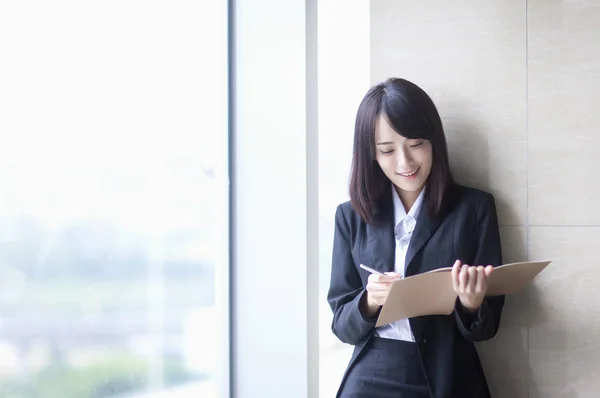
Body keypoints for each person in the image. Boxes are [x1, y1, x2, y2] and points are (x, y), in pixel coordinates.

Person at [327, 77, 505, 398]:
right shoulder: (350, 217)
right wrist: (370, 300)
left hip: (448, 373)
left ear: (434, 141)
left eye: (416, 144)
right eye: (387, 150)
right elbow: (342, 327)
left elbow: (487, 328)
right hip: (372, 373)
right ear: (372, 154)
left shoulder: (474, 208)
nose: (404, 162)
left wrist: (471, 303)